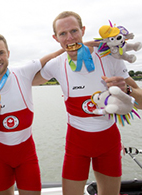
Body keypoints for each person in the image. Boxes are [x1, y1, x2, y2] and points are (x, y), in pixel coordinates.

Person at [34, 11, 142, 195]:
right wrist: (61, 50)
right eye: (63, 34)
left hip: (108, 143)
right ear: (55, 38)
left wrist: (127, 91)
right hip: (77, 146)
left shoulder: (109, 57)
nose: (70, 37)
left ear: (83, 30)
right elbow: (26, 79)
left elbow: (140, 102)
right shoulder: (57, 64)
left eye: (74, 31)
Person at [0, 33, 64, 195]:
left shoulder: (23, 73)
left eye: (1, 53)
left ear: (8, 53)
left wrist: (89, 44)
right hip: (0, 158)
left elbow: (54, 55)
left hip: (26, 156)